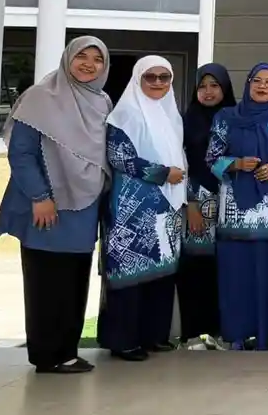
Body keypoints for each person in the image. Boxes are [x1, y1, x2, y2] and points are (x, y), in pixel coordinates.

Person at [0, 37, 111, 374]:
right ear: (67, 58)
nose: (89, 64)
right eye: (81, 56)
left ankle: (67, 352)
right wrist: (39, 197)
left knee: (75, 280)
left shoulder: (102, 102)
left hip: (85, 207)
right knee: (46, 281)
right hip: (48, 204)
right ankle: (46, 356)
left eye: (97, 59)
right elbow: (21, 152)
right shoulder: (40, 97)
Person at [206, 63, 268, 351]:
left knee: (266, 279)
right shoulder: (226, 118)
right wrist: (236, 163)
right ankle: (236, 338)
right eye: (257, 80)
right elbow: (211, 158)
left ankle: (262, 339)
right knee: (235, 278)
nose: (262, 86)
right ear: (248, 83)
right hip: (234, 216)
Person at [98, 56, 187, 361]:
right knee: (130, 272)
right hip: (132, 208)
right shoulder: (124, 115)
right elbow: (119, 158)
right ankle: (123, 341)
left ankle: (153, 335)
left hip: (166, 208)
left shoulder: (171, 115)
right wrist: (164, 173)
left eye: (165, 77)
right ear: (138, 78)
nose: (158, 83)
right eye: (151, 77)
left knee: (160, 274)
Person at [179, 63, 236, 350]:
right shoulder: (184, 122)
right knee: (194, 268)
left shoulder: (236, 119)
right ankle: (190, 334)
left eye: (215, 85)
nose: (208, 91)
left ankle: (218, 330)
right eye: (202, 86)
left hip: (229, 204)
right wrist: (190, 202)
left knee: (223, 270)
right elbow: (179, 163)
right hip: (197, 201)